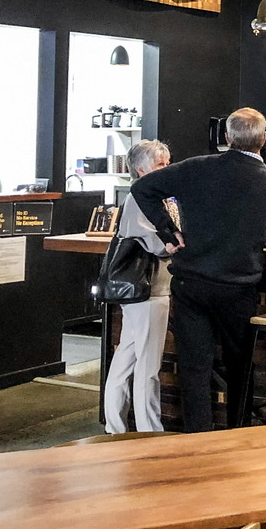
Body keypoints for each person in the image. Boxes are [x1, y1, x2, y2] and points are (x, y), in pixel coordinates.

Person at [131, 107, 266, 432]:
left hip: (192, 285)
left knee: (195, 371)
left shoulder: (196, 168)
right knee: (240, 369)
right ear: (263, 139)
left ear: (226, 138)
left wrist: (169, 232)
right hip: (237, 289)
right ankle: (236, 438)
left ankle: (199, 443)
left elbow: (142, 189)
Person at [103, 139, 173, 433]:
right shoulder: (141, 198)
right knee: (148, 367)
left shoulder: (148, 196)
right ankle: (150, 432)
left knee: (126, 360)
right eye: (161, 165)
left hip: (143, 293)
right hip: (151, 290)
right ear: (141, 170)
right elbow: (158, 245)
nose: (167, 170)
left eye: (168, 164)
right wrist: (180, 243)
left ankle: (115, 428)